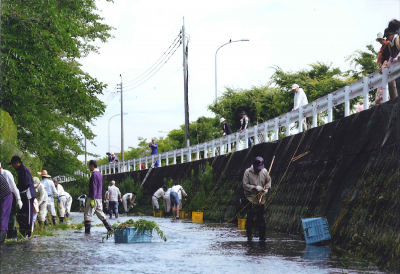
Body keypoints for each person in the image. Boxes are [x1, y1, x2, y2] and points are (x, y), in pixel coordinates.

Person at [243, 156, 272, 241]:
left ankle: (262, 237)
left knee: (261, 219)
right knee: (250, 219)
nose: (259, 170)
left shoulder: (264, 171)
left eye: (260, 168)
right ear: (254, 166)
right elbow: (245, 185)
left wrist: (267, 189)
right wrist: (255, 187)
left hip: (261, 198)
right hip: (250, 198)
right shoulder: (247, 172)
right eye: (257, 168)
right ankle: (249, 237)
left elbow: (269, 181)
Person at [9, 156, 36, 237]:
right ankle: (23, 231)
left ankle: (28, 232)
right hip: (23, 194)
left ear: (17, 162)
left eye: (13, 164)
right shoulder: (20, 170)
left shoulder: (24, 170)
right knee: (23, 213)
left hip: (28, 195)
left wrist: (17, 189)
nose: (13, 166)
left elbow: (26, 184)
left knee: (28, 214)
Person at [84, 160, 112, 234]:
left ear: (92, 166)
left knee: (88, 215)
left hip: (93, 197)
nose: (89, 167)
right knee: (100, 214)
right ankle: (110, 229)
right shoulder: (100, 174)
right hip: (99, 197)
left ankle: (87, 233)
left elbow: (94, 187)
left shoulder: (94, 174)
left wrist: (92, 199)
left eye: (89, 166)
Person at [0, 162, 22, 240]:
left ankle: (10, 234)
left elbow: (14, 187)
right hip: (1, 195)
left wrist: (19, 199)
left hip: (10, 195)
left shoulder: (6, 173)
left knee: (8, 215)